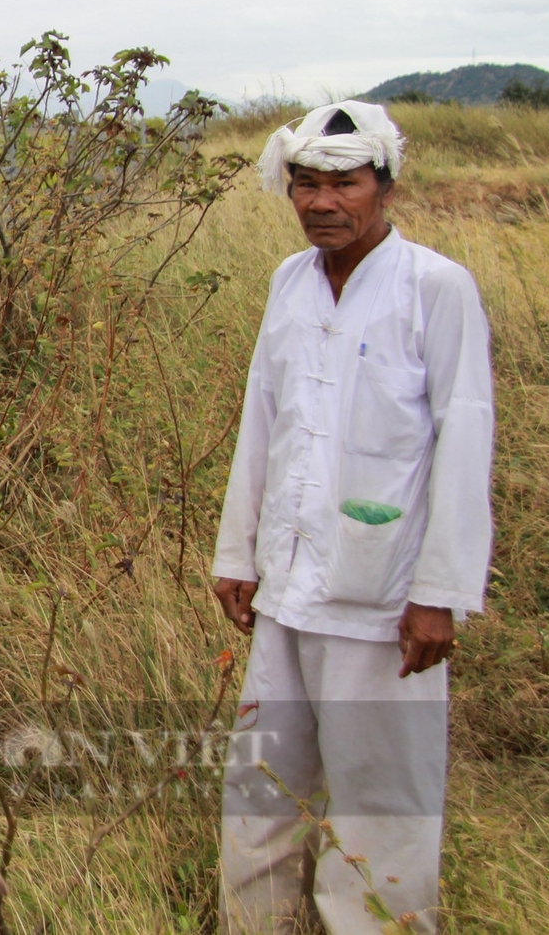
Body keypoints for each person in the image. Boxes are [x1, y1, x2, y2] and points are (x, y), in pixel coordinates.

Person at [211, 100, 493, 934]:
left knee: (381, 805)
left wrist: (440, 592)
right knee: (260, 787)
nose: (323, 202)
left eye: (346, 183)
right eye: (306, 184)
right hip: (287, 588)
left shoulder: (435, 287)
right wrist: (239, 554)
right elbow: (264, 420)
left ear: (385, 186)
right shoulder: (288, 283)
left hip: (383, 598)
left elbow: (465, 434)